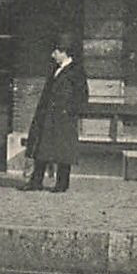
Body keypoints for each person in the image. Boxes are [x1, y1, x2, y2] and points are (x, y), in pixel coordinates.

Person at [23, 31, 88, 193]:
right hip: (48, 115)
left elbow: (82, 96)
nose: (53, 56)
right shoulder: (55, 70)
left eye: (56, 52)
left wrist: (69, 110)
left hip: (64, 117)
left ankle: (62, 184)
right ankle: (36, 181)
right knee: (42, 147)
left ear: (64, 52)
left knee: (63, 152)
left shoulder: (76, 71)